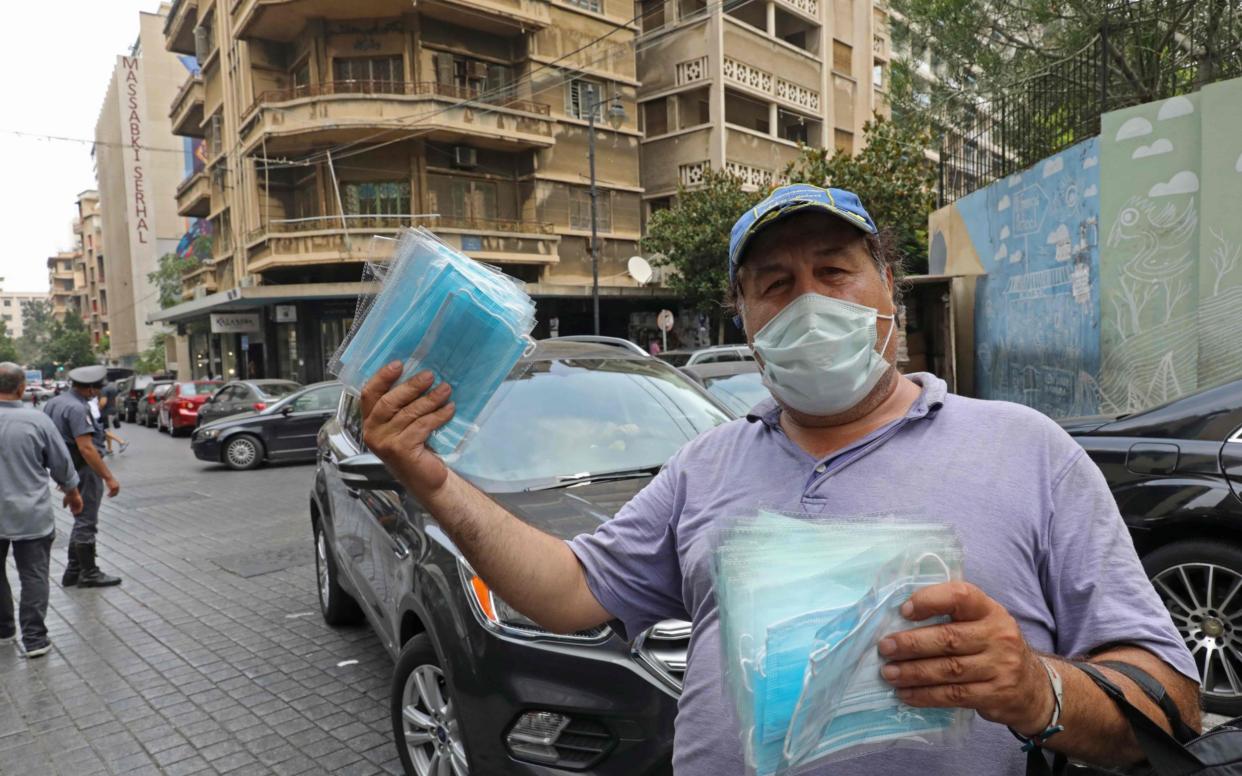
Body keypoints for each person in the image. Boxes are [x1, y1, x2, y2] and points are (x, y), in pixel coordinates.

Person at [359, 184, 1199, 775]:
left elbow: (1170, 699)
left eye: (834, 272)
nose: (808, 302)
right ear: (748, 325)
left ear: (889, 297)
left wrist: (1034, 688)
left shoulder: (1027, 449)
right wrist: (431, 477)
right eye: (775, 285)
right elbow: (570, 592)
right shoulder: (706, 464)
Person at [0, 363, 84, 658]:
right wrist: (73, 494)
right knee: (33, 574)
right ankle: (35, 639)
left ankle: (4, 630)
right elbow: (61, 464)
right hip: (30, 514)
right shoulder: (36, 421)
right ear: (22, 388)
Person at [42, 364, 122, 588]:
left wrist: (64, 478)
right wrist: (108, 477)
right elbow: (87, 448)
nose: (98, 394)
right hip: (84, 468)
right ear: (89, 389)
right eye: (97, 390)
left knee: (81, 519)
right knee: (86, 520)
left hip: (70, 469)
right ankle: (89, 573)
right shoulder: (78, 408)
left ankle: (74, 571)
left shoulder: (54, 403)